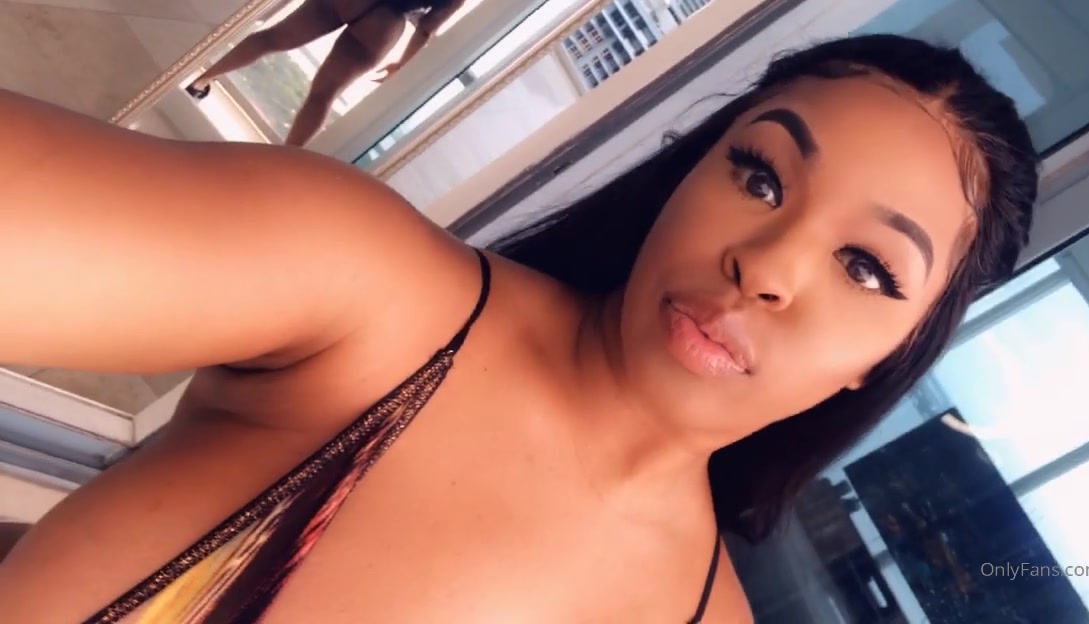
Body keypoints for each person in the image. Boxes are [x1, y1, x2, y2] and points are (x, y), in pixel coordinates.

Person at [0, 34, 1037, 623]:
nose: (764, 268)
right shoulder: (375, 301)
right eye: (759, 175)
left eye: (865, 268)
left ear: (884, 362)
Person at [185, 0, 464, 146]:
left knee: (269, 39)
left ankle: (200, 81)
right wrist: (401, 63)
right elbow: (426, 27)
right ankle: (284, 159)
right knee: (323, 95)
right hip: (384, 23)